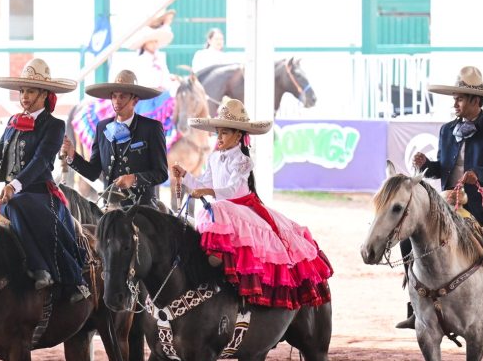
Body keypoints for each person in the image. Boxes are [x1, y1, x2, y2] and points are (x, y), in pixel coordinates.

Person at [171, 97, 332, 309]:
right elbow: (203, 183)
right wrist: (185, 175)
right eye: (218, 132)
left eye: (225, 133)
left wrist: (207, 191)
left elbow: (230, 191)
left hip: (239, 208)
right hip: (225, 209)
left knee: (217, 209)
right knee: (213, 211)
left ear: (238, 135)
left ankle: (225, 269)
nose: (219, 137)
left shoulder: (243, 160)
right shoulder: (214, 158)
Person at [397, 66, 483, 328]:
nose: (455, 103)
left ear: (476, 101)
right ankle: (414, 304)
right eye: (454, 98)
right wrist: (426, 165)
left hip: (482, 203)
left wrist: (479, 175)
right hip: (447, 203)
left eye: (460, 98)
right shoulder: (447, 130)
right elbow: (443, 167)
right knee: (409, 236)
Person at [0, 58, 88, 300]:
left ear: (44, 95)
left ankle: (44, 268)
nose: (24, 96)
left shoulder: (54, 125)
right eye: (22, 91)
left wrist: (13, 186)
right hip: (13, 195)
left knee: (14, 204)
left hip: (40, 194)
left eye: (30, 91)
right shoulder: (12, 124)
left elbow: (41, 161)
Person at [60, 69, 168, 210]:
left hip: (142, 208)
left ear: (135, 100)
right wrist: (72, 156)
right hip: (110, 207)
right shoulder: (102, 127)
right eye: (114, 96)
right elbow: (93, 172)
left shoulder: (152, 128)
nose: (117, 101)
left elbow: (161, 173)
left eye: (122, 97)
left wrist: (134, 179)